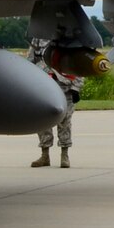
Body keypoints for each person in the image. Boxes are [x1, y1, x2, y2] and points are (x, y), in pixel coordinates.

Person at [26, 37, 84, 168]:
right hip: (42, 86)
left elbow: (79, 64)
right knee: (42, 121)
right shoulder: (37, 40)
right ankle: (45, 155)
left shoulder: (68, 39)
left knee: (65, 122)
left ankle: (65, 155)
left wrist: (76, 88)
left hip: (65, 86)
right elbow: (30, 63)